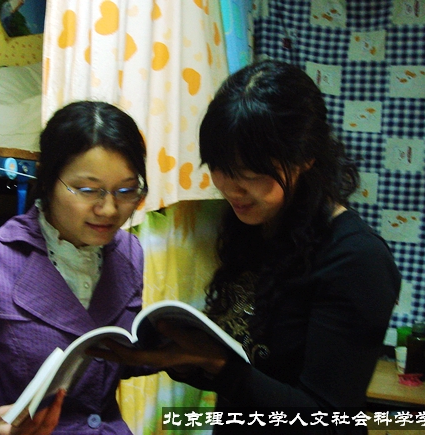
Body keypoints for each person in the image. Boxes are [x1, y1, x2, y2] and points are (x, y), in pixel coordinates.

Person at [88, 60, 401, 433]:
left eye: (250, 175)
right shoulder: (257, 225)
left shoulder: (356, 259)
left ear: (305, 158)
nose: (230, 189)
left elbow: (329, 420)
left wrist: (219, 365)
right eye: (220, 169)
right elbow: (251, 369)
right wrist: (184, 358)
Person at [0, 100, 150, 435]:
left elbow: (108, 366)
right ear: (47, 180)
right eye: (88, 190)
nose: (108, 209)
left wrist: (182, 355)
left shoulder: (129, 253)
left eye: (126, 190)